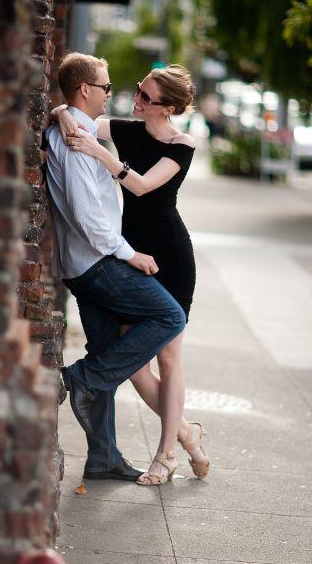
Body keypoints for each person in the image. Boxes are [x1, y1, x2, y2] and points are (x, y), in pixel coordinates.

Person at [51, 63, 210, 484]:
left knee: (170, 359)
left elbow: (141, 186)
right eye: (137, 90)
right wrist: (64, 115)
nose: (135, 99)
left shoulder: (181, 144)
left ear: (168, 108)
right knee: (135, 363)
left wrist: (100, 153)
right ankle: (188, 434)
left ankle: (167, 454)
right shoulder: (125, 127)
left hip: (169, 255)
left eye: (145, 97)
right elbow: (71, 110)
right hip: (127, 252)